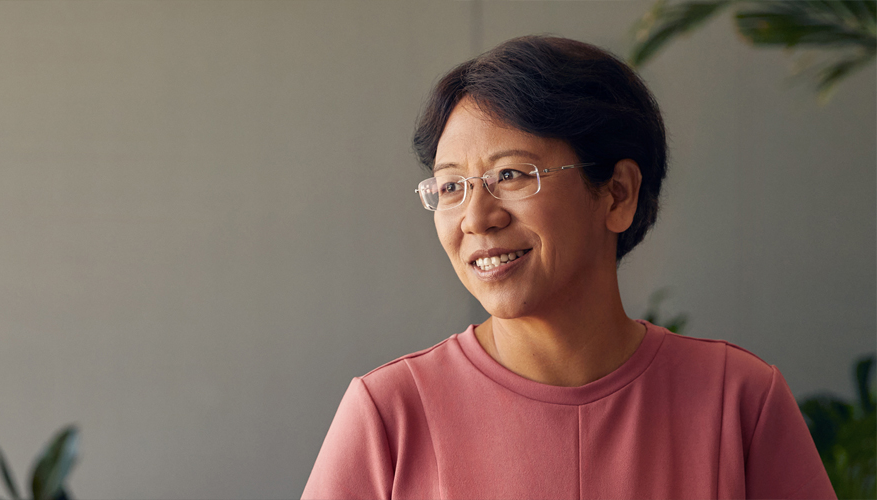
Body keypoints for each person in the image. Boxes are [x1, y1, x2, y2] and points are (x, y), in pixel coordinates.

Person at [301, 35, 835, 499]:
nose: (476, 218)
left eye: (510, 175)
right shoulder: (390, 414)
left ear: (617, 194)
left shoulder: (739, 400)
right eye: (451, 187)